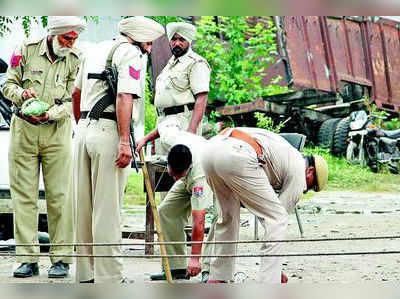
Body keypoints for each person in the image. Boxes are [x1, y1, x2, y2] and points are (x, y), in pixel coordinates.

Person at [72, 16, 164, 283]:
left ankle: (86, 274)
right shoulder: (130, 54)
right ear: (140, 38)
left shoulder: (94, 50)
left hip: (85, 130)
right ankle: (110, 277)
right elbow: (125, 96)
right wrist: (124, 141)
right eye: (148, 41)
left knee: (84, 207)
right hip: (110, 132)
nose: (149, 47)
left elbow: (75, 95)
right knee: (108, 209)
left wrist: (84, 127)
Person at [3, 16, 86, 279]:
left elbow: (74, 97)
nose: (70, 43)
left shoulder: (76, 58)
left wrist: (50, 114)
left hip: (56, 133)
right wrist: (21, 95)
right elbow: (8, 84)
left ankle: (61, 258)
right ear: (53, 34)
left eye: (74, 38)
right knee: (24, 197)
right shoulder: (25, 50)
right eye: (66, 38)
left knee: (60, 197)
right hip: (23, 131)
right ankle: (28, 258)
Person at [200, 127, 329, 283]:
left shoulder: (287, 152)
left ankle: (217, 278)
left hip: (210, 150)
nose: (305, 190)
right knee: (278, 219)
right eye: (311, 186)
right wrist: (273, 271)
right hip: (237, 155)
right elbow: (275, 220)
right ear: (310, 171)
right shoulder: (299, 172)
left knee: (228, 217)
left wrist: (275, 267)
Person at [136, 119, 216, 282]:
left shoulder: (199, 177)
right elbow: (163, 127)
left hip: (214, 174)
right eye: (171, 173)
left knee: (219, 218)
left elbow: (199, 221)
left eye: (175, 176)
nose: (172, 177)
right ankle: (176, 268)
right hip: (190, 171)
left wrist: (194, 257)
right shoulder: (171, 140)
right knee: (165, 212)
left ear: (186, 170)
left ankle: (210, 269)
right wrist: (145, 139)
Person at [154, 21, 211, 138]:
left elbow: (202, 98)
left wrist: (191, 131)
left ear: (188, 41)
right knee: (162, 157)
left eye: (181, 40)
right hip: (164, 123)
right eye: (173, 39)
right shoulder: (169, 66)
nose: (177, 43)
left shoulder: (196, 63)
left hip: (184, 123)